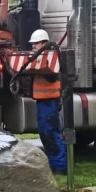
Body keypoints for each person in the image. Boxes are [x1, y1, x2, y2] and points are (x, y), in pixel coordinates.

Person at [29, 29, 67, 175]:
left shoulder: (51, 58)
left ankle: (60, 167)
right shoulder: (42, 57)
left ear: (44, 43)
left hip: (49, 102)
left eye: (36, 44)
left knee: (51, 134)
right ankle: (55, 165)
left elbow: (51, 77)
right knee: (45, 134)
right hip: (42, 102)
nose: (33, 46)